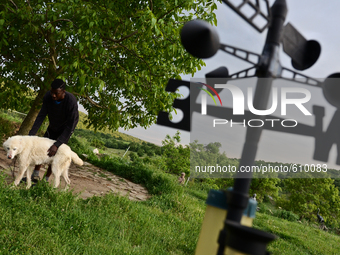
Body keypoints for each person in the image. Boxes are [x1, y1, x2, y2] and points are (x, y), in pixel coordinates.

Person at [27, 78, 79, 182]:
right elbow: (41, 116)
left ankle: (45, 180)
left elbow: (70, 126)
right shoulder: (48, 97)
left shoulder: (71, 101)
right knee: (41, 149)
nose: (53, 95)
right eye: (52, 92)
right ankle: (35, 176)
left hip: (64, 130)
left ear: (63, 92)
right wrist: (31, 134)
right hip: (52, 127)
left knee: (55, 154)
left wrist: (57, 144)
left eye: (56, 93)